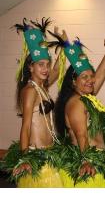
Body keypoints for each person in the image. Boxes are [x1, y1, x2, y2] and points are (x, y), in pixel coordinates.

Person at [6, 18, 63, 187]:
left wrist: (64, 45)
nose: (45, 69)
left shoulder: (42, 88)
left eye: (47, 64)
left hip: (49, 154)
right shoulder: (30, 91)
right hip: (36, 156)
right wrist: (25, 159)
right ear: (30, 67)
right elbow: (26, 126)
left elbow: (57, 69)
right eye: (40, 65)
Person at [53, 31, 105, 187]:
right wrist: (87, 161)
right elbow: (81, 135)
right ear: (74, 82)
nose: (90, 80)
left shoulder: (87, 98)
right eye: (84, 77)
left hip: (98, 160)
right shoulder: (77, 103)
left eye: (90, 76)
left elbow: (99, 76)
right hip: (88, 164)